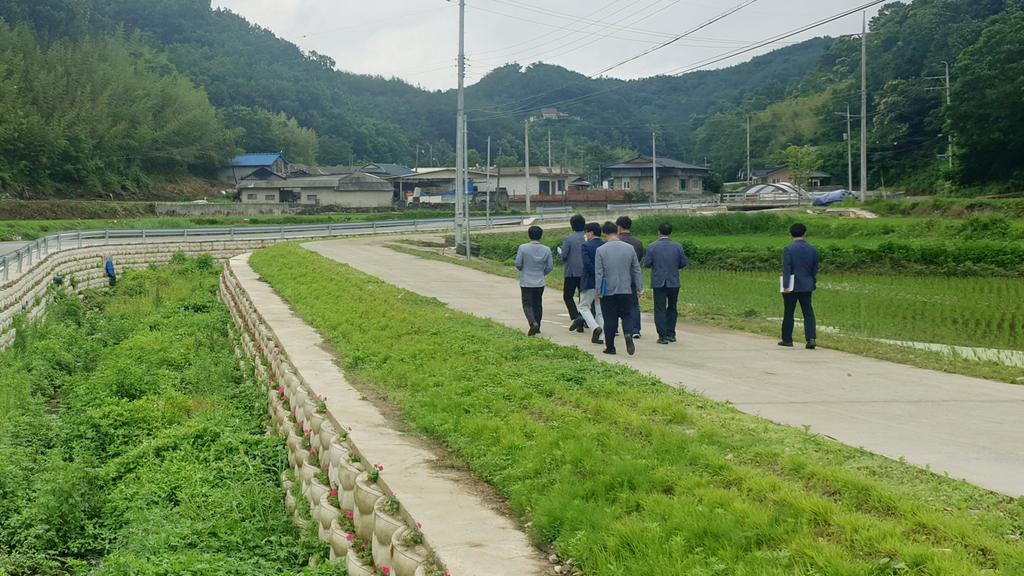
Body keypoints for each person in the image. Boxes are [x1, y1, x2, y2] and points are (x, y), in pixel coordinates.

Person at [595, 221, 643, 356]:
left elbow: (599, 273)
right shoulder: (629, 248)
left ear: (604, 233)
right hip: (626, 289)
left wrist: (598, 291)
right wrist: (639, 288)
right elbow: (636, 270)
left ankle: (610, 347)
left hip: (608, 290)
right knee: (627, 315)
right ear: (617, 231)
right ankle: (628, 333)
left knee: (610, 319)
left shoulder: (601, 250)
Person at [643, 223, 688, 344]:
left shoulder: (651, 247)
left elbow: (646, 263)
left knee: (659, 308)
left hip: (658, 281)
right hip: (673, 281)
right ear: (671, 233)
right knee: (672, 307)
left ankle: (662, 336)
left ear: (659, 233)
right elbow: (683, 263)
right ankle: (671, 333)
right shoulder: (678, 247)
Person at [780, 223, 820, 349]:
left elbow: (787, 269)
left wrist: (786, 285)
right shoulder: (813, 249)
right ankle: (811, 338)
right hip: (807, 284)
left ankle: (787, 339)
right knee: (808, 312)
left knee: (789, 312)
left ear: (791, 234)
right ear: (805, 233)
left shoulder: (788, 249)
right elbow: (815, 269)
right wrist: (812, 281)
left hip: (792, 285)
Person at [514, 226, 554, 336]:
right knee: (538, 304)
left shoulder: (523, 248)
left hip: (526, 280)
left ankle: (533, 323)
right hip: (540, 281)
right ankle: (538, 325)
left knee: (527, 304)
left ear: (529, 235)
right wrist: (542, 273)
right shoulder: (546, 249)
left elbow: (518, 263)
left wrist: (523, 269)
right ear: (541, 236)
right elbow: (550, 266)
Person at [616, 216, 644, 339]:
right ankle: (635, 329)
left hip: (617, 278)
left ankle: (615, 328)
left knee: (615, 303)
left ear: (619, 227)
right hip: (632, 278)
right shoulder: (637, 243)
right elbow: (639, 260)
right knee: (633, 305)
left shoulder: (615, 242)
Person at [578, 222, 605, 344]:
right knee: (599, 309)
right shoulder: (604, 245)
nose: (585, 235)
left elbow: (587, 264)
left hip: (589, 280)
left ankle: (595, 327)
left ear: (591, 233)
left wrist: (595, 275)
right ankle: (601, 337)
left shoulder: (586, 246)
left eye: (586, 232)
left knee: (583, 306)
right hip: (603, 281)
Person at [559, 214, 587, 333]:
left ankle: (576, 317)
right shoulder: (587, 238)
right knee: (583, 297)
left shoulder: (568, 239)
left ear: (572, 226)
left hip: (571, 272)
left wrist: (560, 253)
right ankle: (582, 319)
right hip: (585, 272)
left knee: (568, 296)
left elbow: (564, 255)